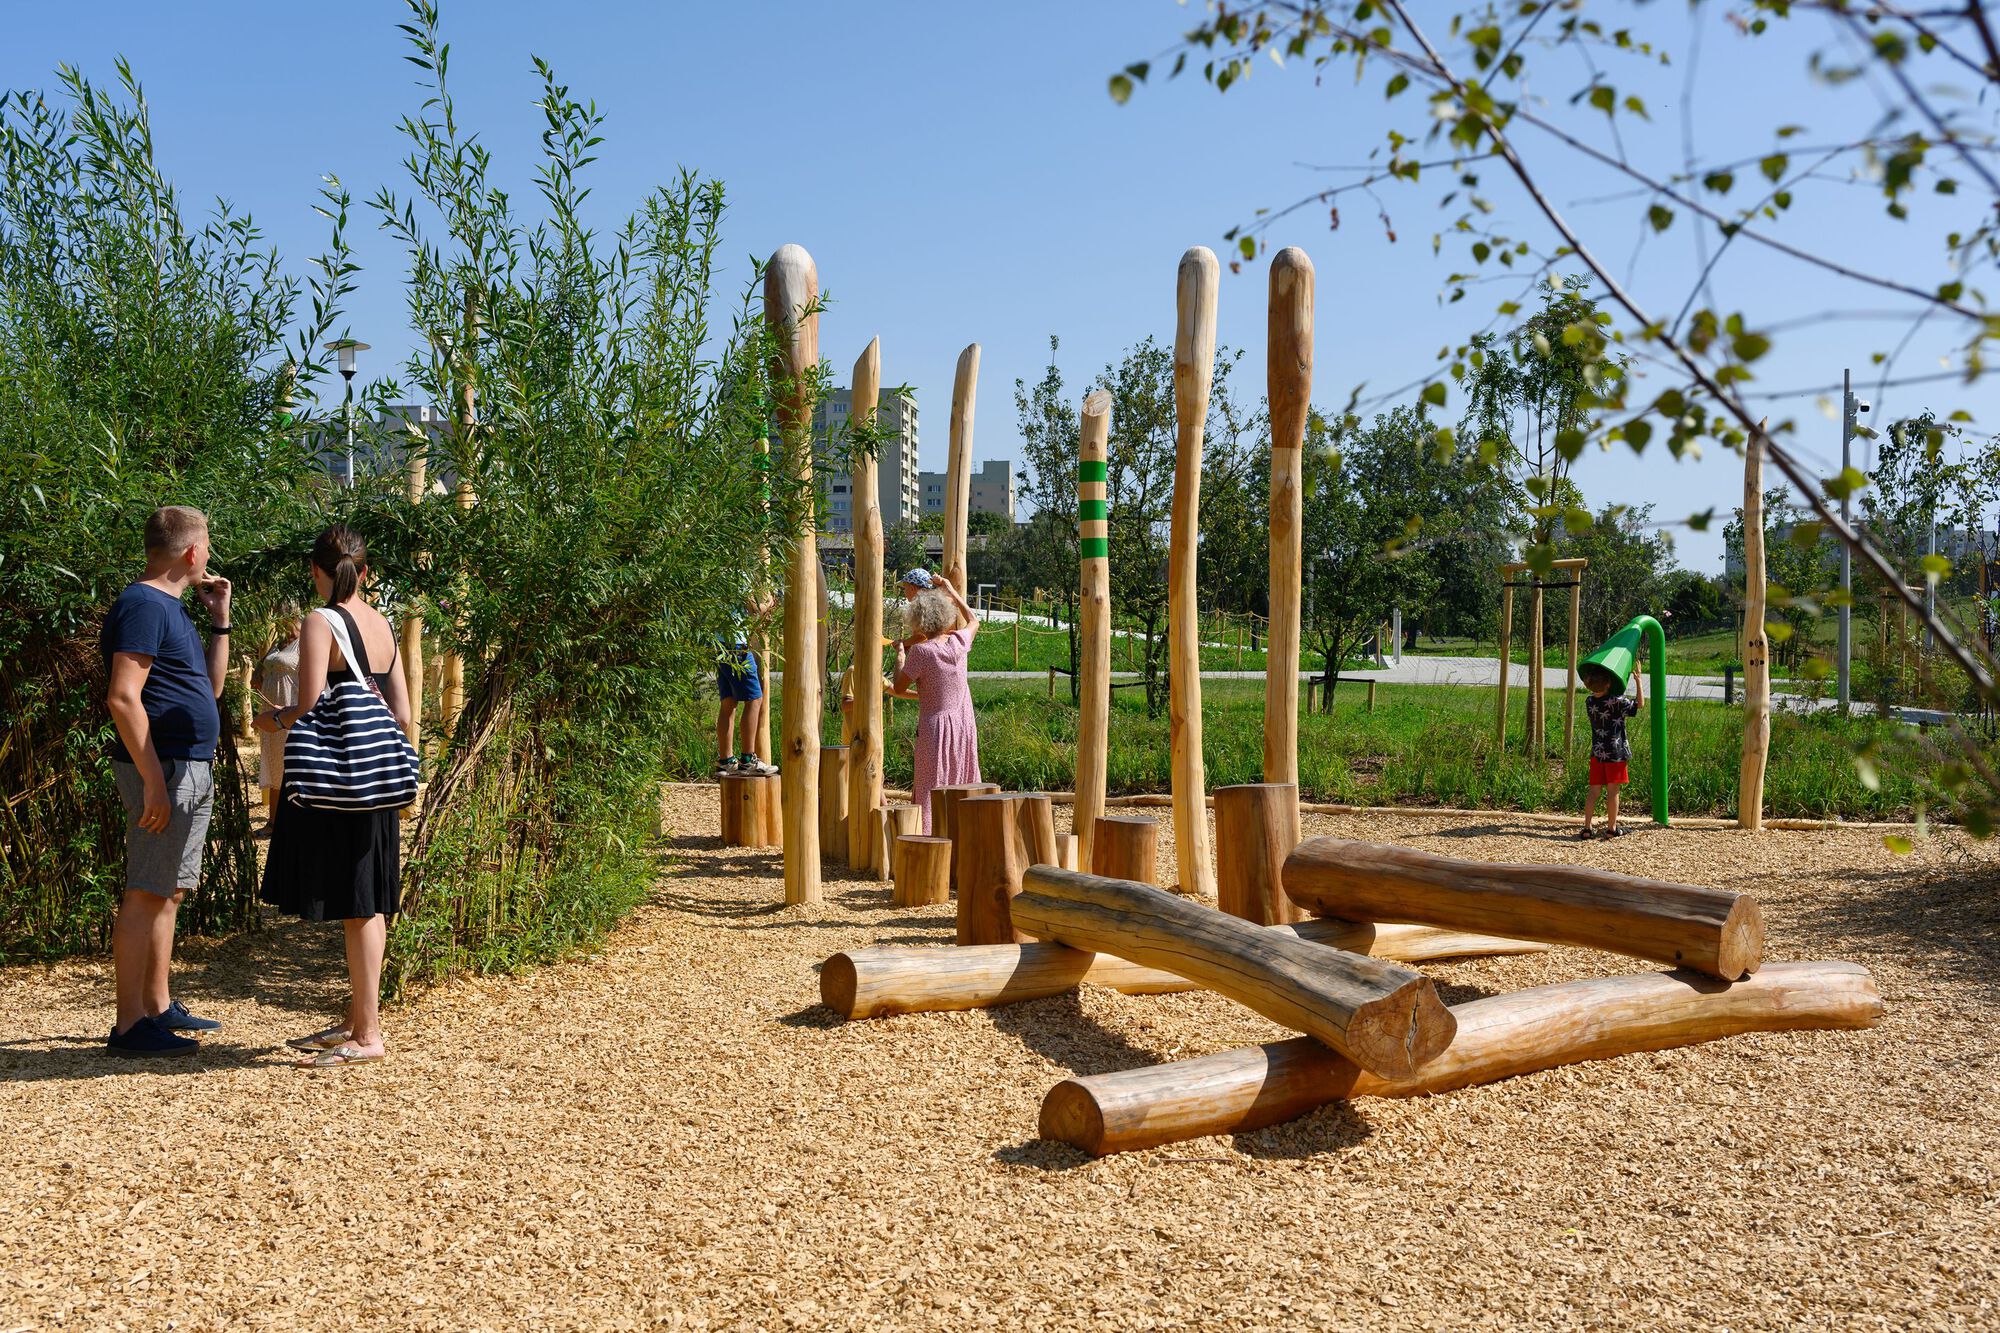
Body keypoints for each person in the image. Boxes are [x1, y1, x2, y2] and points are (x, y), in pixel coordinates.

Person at [254, 525, 411, 1068]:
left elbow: (309, 700)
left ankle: (368, 1033)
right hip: (377, 779)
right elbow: (405, 715)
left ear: (317, 572)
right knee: (365, 900)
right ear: (366, 572)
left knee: (359, 905)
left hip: (338, 780)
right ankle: (355, 1016)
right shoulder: (383, 625)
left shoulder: (319, 621)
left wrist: (268, 718)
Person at [100, 505, 232, 1057]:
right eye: (206, 548)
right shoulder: (142, 605)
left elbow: (214, 687)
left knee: (168, 890)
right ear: (193, 552)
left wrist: (220, 618)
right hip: (166, 769)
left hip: (189, 766)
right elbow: (123, 696)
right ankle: (130, 1027)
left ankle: (157, 1006)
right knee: (145, 891)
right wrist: (154, 779)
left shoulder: (173, 608)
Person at [890, 573, 981, 833]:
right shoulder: (959, 642)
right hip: (963, 723)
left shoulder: (921, 652)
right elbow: (974, 620)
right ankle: (965, 832)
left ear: (918, 620)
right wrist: (951, 589)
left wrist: (899, 657)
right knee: (961, 776)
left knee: (931, 783)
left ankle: (931, 836)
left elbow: (898, 687)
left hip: (935, 728)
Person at [716, 589, 778, 776]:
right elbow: (751, 609)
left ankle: (726, 761)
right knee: (755, 699)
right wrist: (768, 606)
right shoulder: (738, 571)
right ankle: (748, 760)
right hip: (736, 645)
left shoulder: (718, 568)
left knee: (728, 703)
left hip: (718, 643)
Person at [1580, 664, 1642, 839]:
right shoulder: (1618, 701)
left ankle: (1586, 828)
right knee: (1613, 791)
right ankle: (1611, 828)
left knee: (1594, 791)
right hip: (1616, 753)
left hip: (1598, 753)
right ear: (1608, 684)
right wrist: (1638, 681)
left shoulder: (1589, 701)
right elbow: (1640, 705)